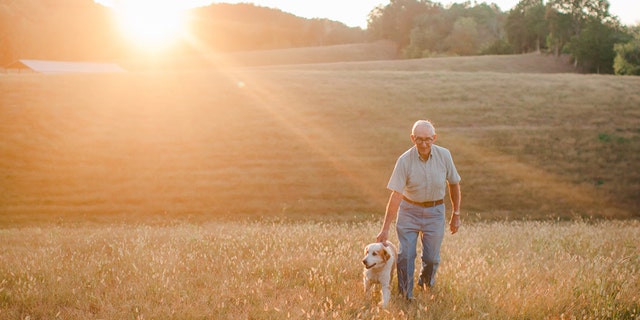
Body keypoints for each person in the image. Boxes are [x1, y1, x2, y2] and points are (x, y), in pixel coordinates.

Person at [376, 119, 461, 301]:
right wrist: (385, 228)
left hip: (435, 211)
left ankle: (425, 283)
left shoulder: (444, 155)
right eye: (420, 139)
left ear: (434, 138)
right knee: (406, 255)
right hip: (409, 210)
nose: (424, 144)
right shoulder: (404, 160)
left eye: (428, 139)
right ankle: (406, 294)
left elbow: (454, 184)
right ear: (412, 138)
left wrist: (456, 214)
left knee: (431, 258)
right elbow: (396, 195)